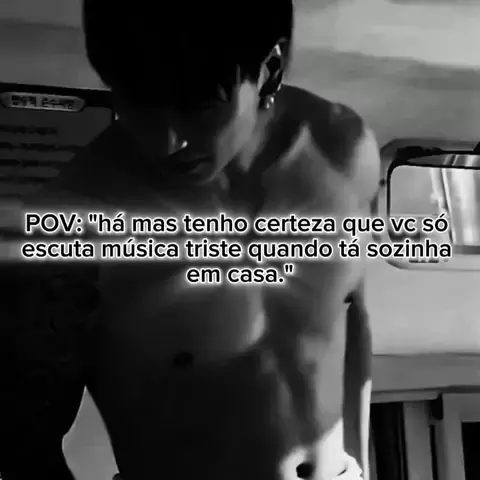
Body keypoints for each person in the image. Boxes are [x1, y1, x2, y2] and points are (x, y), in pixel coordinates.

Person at [0, 0, 380, 479]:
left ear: (270, 69)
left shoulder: (343, 149)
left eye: (198, 108)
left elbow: (353, 315)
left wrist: (360, 463)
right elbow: (24, 445)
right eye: (136, 102)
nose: (168, 142)